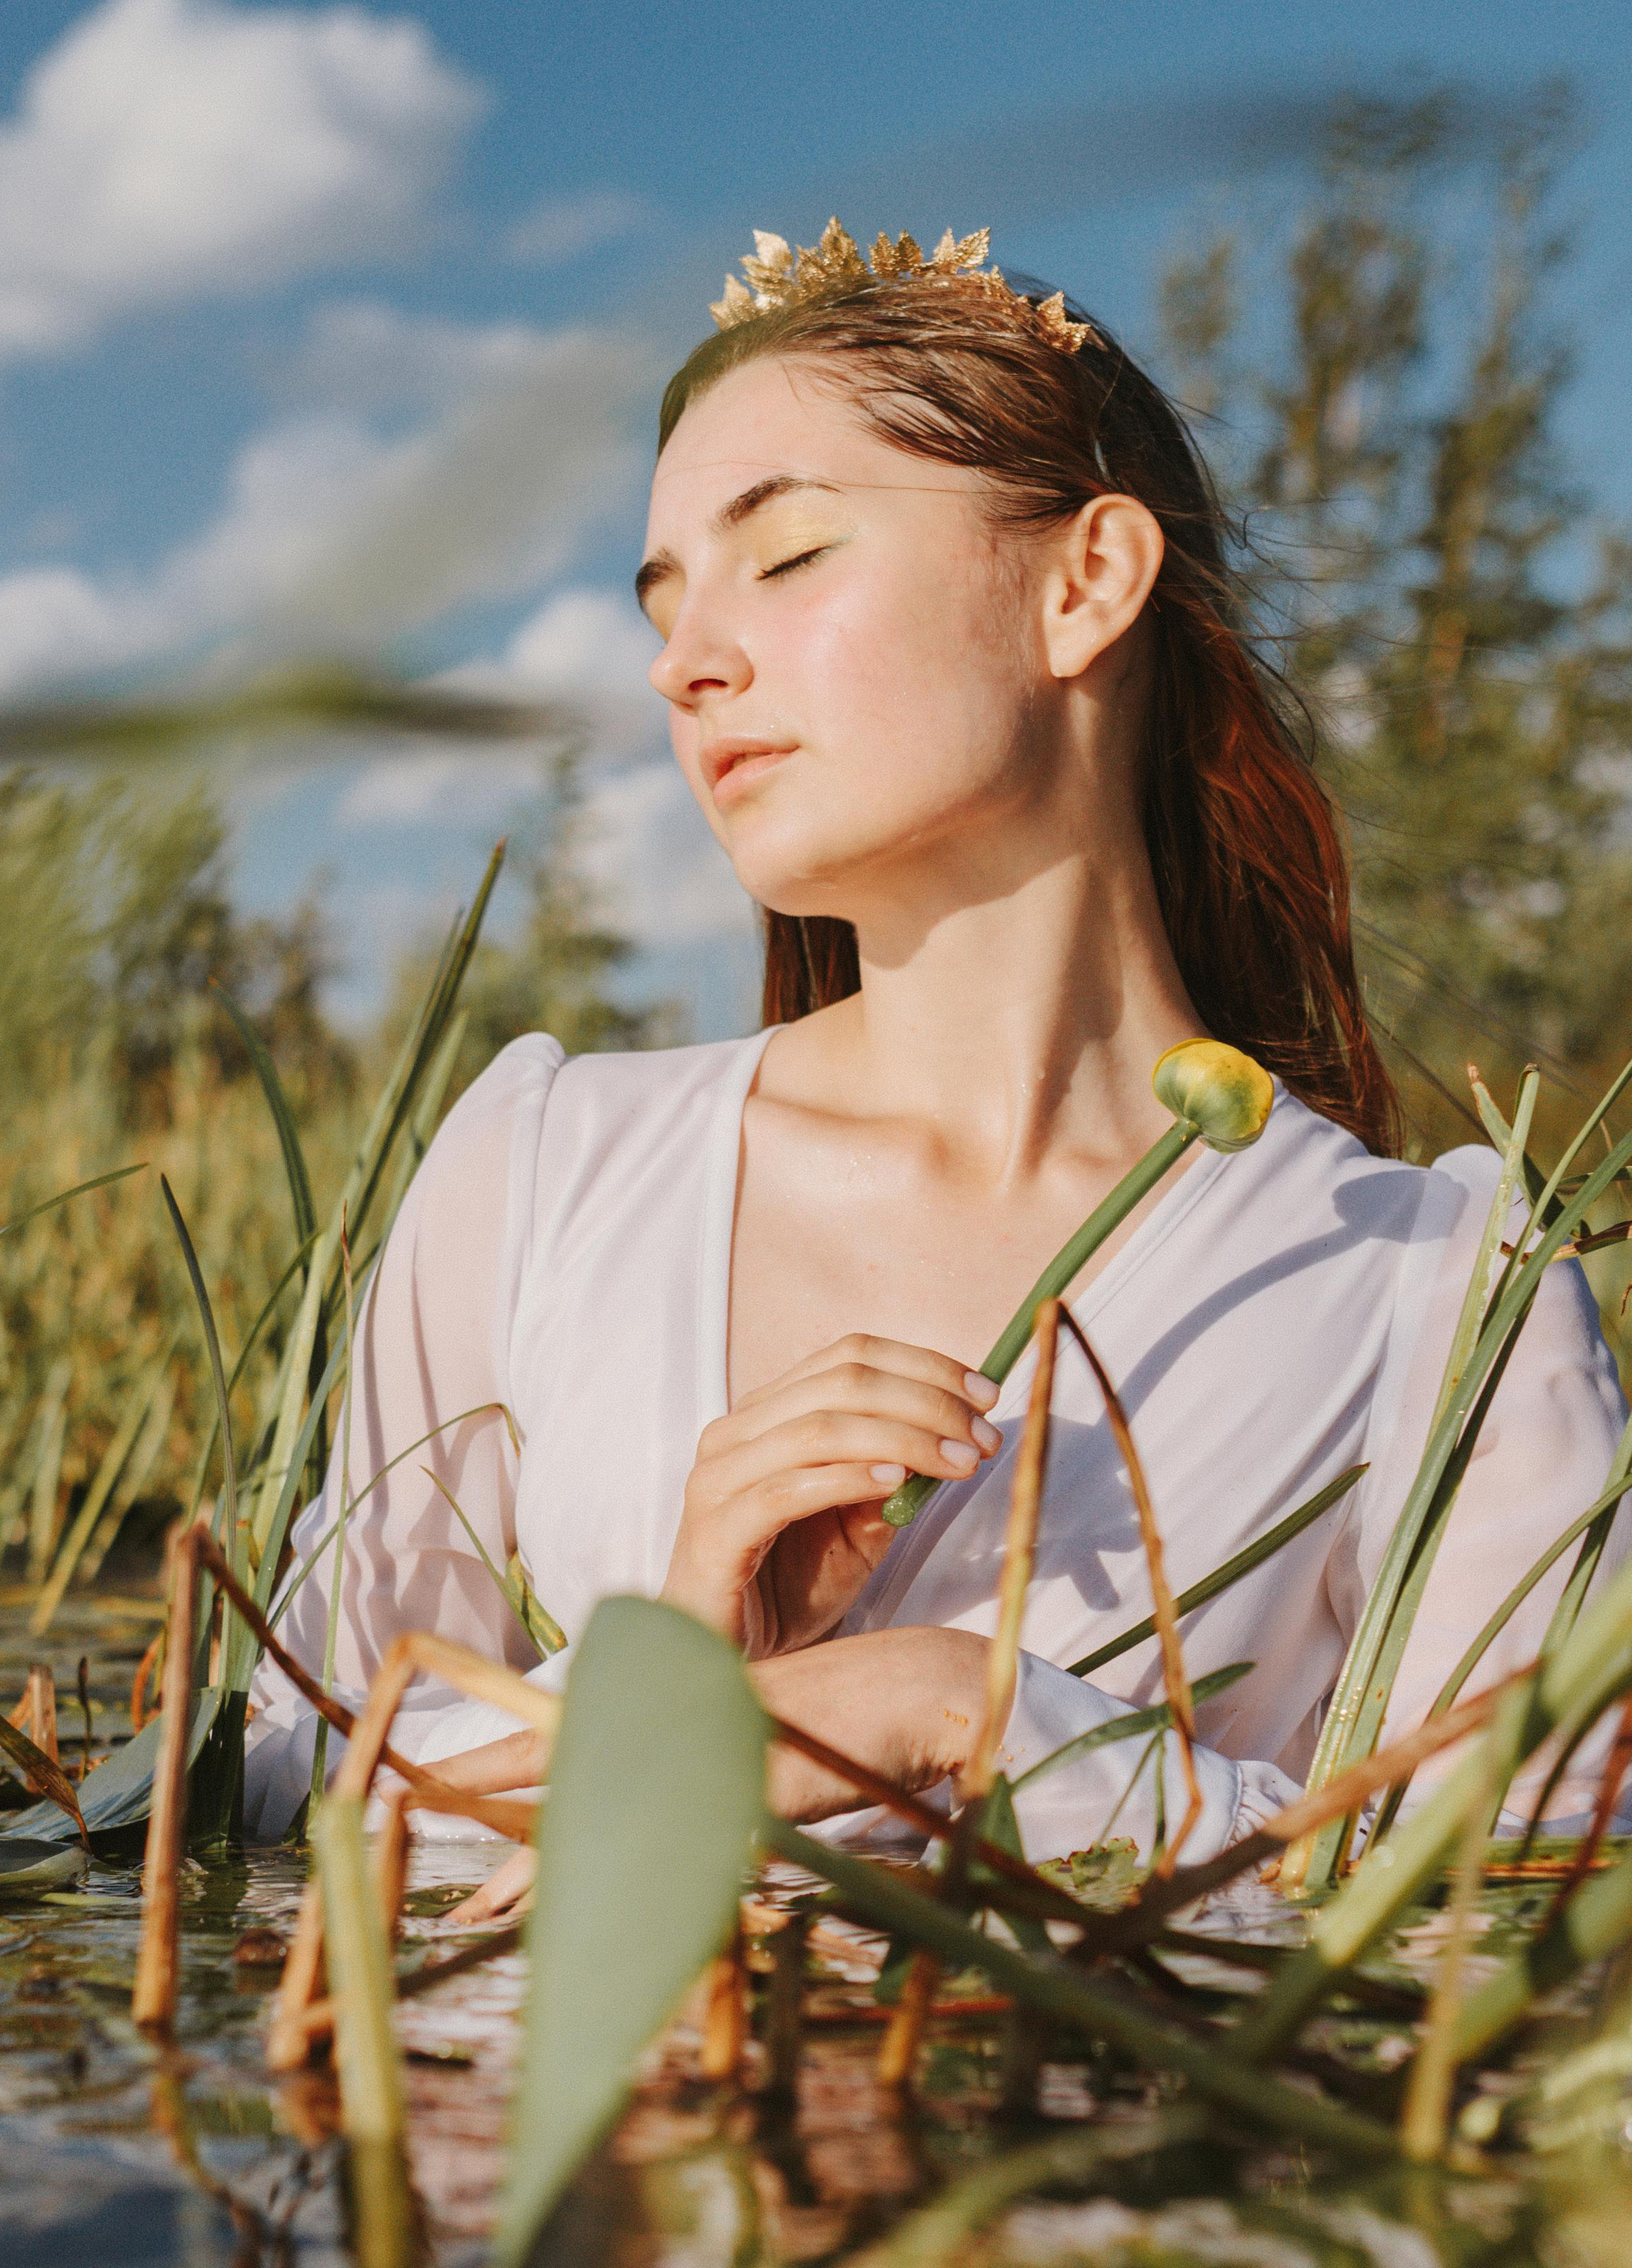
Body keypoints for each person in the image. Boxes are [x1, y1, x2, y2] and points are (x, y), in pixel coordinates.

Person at [243, 218, 1628, 1872]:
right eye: (663, 600)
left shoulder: (1440, 1284)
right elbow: (273, 1788)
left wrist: (982, 1717)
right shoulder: (541, 1163)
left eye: (791, 552)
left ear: (1083, 581)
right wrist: (672, 1679)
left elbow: (1533, 1909)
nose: (686, 664)